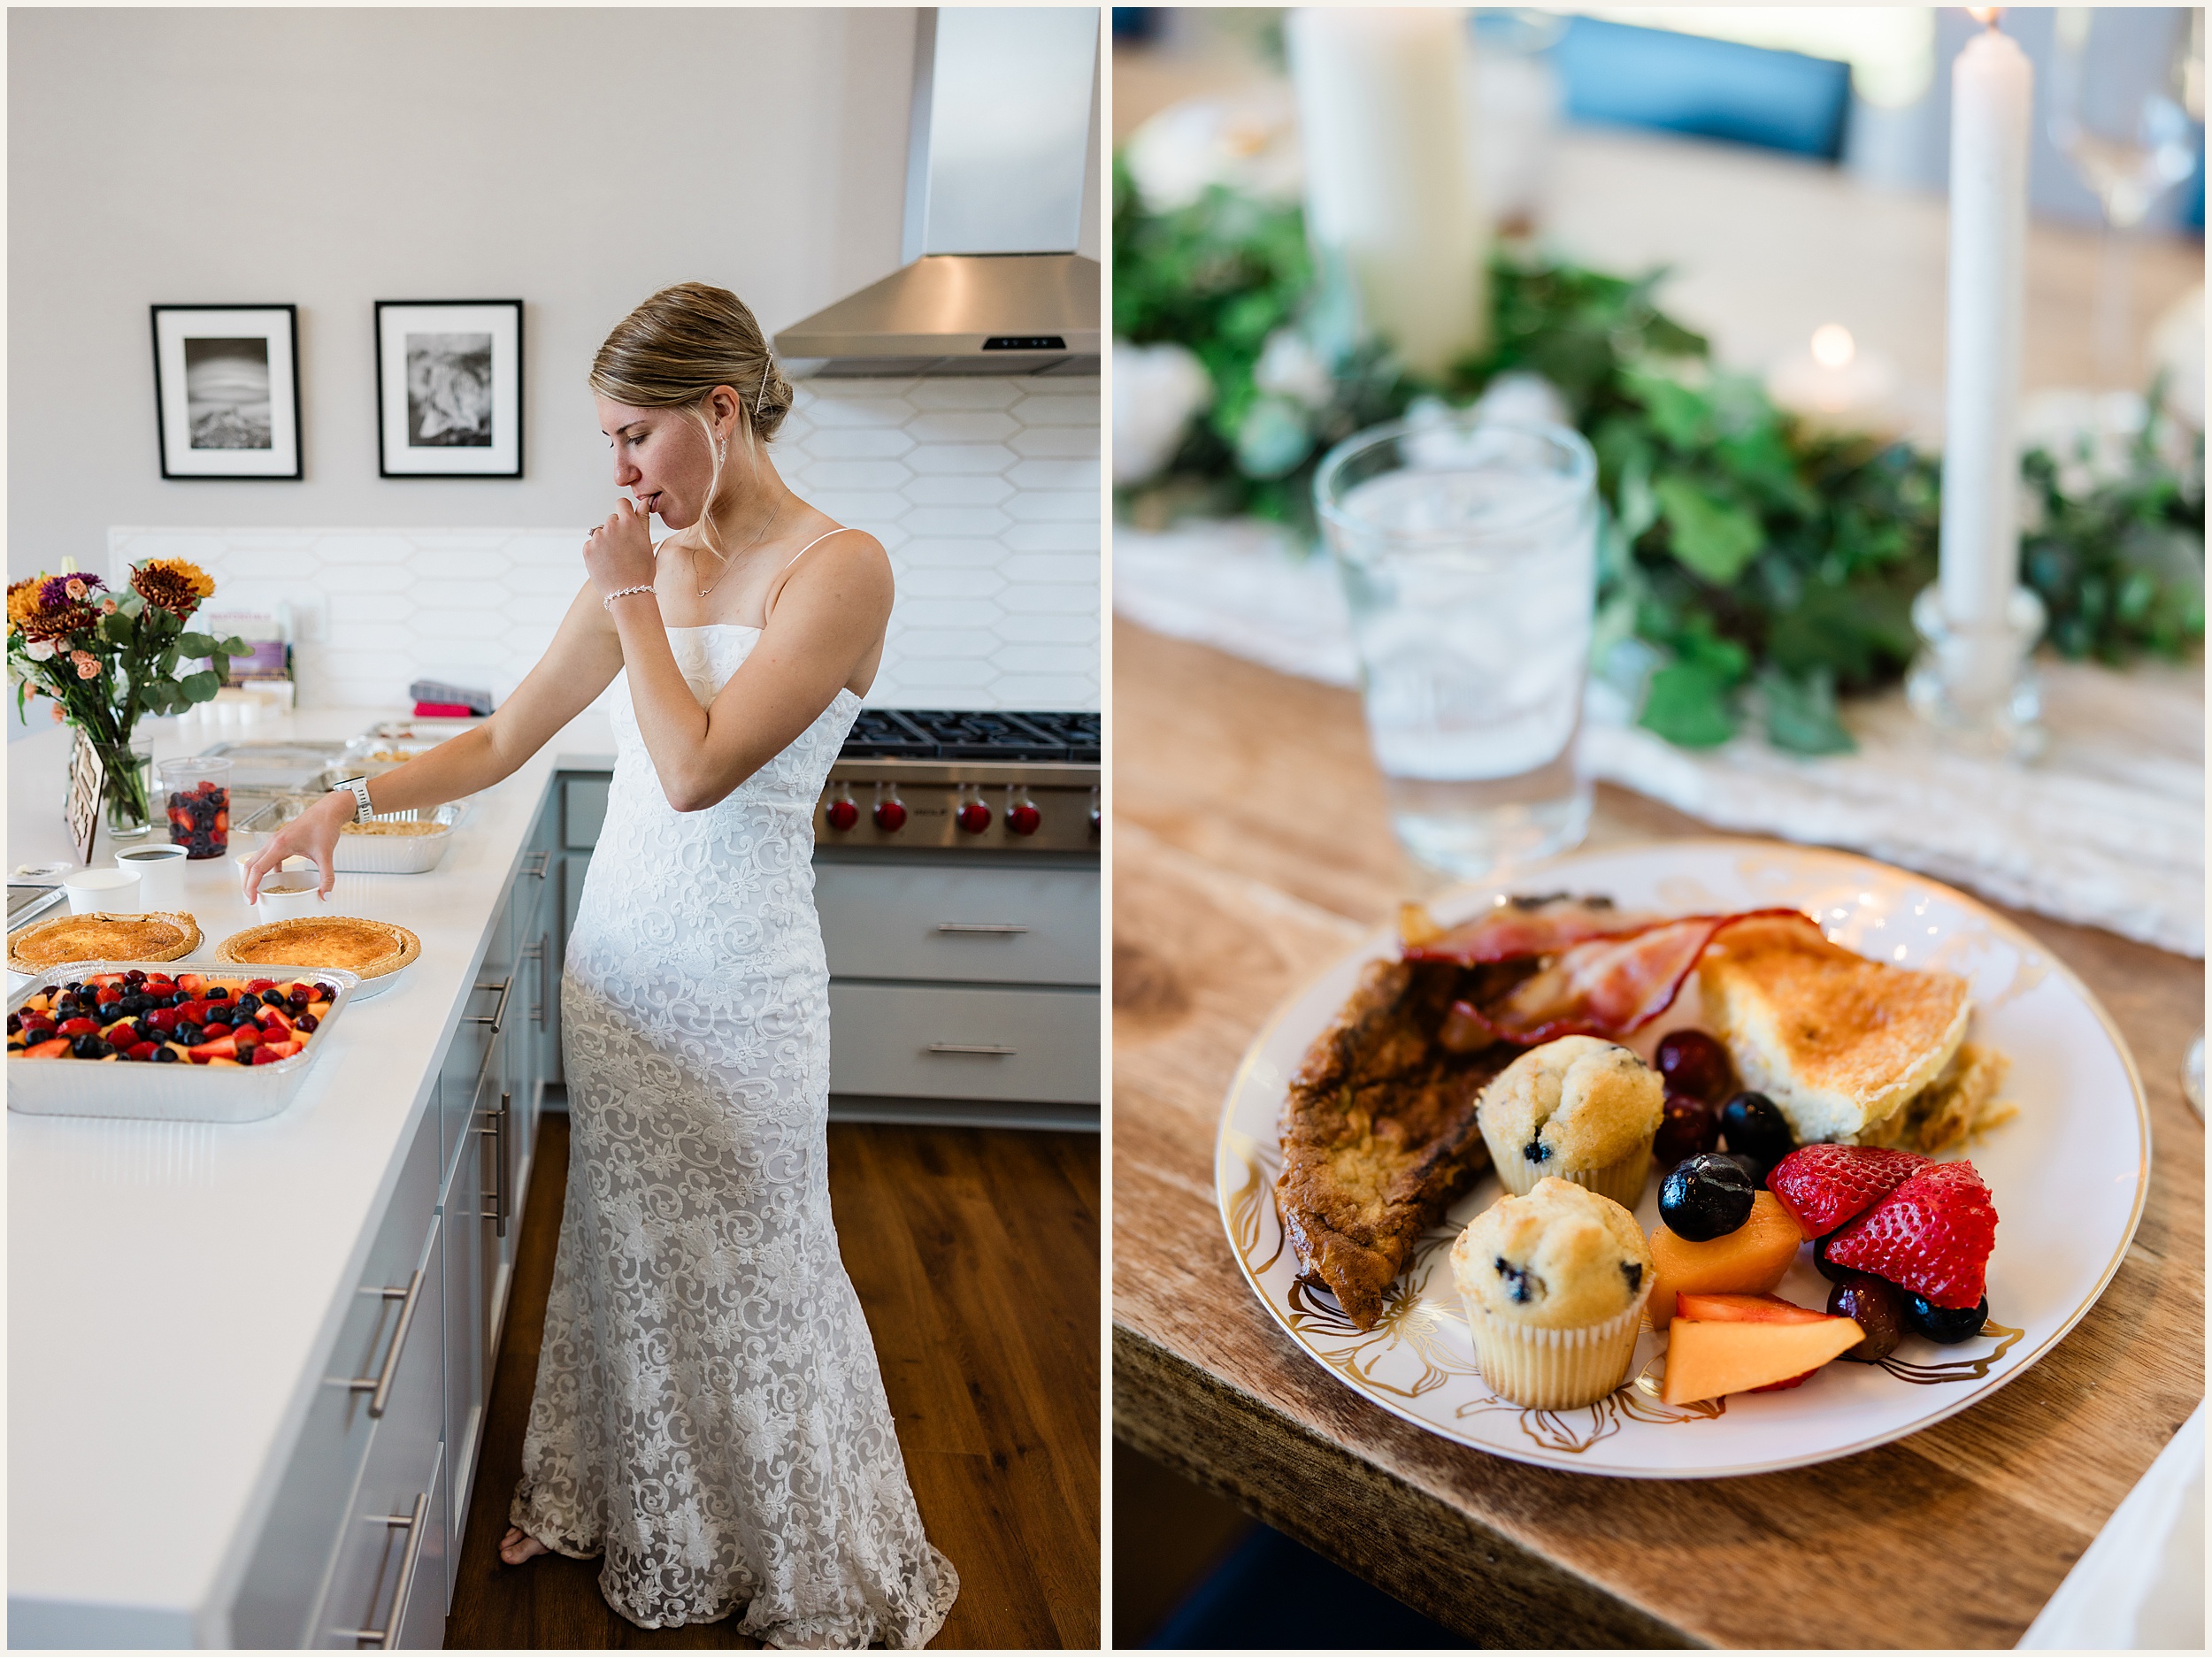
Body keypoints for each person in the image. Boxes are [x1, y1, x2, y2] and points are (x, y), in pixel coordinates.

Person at [242, 282, 959, 1645]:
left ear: (720, 411)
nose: (620, 471)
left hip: (743, 986)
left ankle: (791, 1557)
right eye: (609, 444)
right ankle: (625, 1502)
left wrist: (637, 592)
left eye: (636, 436)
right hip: (620, 959)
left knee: (760, 1260)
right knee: (626, 1241)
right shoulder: (644, 557)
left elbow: (692, 768)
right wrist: (350, 793)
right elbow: (507, 735)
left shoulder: (838, 566)